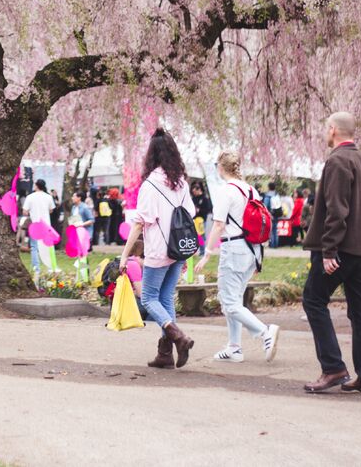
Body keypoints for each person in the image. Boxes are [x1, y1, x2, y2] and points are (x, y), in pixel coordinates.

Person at [301, 112, 361, 394]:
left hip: (341, 249)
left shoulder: (337, 161)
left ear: (333, 130)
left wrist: (328, 249)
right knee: (360, 311)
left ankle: (333, 367)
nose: (325, 132)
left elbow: (337, 209)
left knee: (313, 299)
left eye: (326, 128)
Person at [119, 128, 194, 369]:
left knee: (150, 298)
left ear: (151, 155)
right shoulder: (181, 182)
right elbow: (191, 213)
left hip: (158, 250)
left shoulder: (151, 184)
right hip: (179, 249)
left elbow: (140, 222)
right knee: (165, 298)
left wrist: (124, 255)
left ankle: (177, 336)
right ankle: (164, 354)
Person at [197, 151, 279, 363]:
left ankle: (265, 332)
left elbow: (218, 224)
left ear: (220, 168)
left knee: (229, 302)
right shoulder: (251, 190)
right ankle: (234, 347)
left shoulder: (226, 191)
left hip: (234, 249)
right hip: (252, 249)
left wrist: (207, 254)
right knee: (235, 299)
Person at [20, 180, 56, 275]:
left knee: (34, 247)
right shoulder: (48, 197)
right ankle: (50, 268)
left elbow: (24, 211)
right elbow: (51, 210)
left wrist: (31, 212)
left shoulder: (30, 197)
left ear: (36, 186)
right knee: (47, 247)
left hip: (35, 225)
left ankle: (36, 268)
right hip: (46, 225)